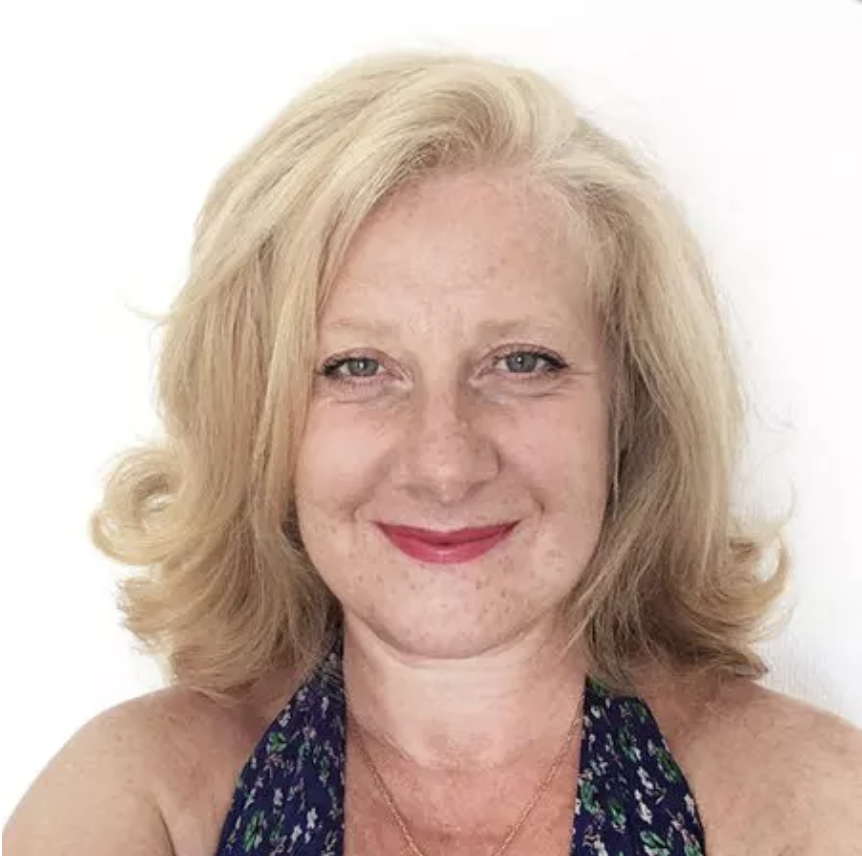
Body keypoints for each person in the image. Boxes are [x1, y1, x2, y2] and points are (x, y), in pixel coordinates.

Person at [5, 48, 861, 856]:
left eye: (522, 362)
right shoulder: (144, 798)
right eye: (357, 367)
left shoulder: (806, 802)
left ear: (631, 408)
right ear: (256, 422)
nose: (445, 465)